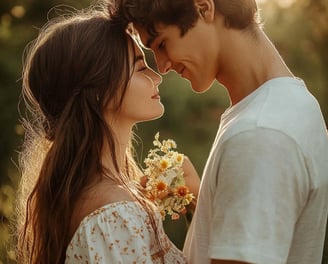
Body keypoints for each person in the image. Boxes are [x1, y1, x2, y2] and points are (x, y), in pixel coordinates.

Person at [115, 0, 328, 263]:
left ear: (203, 8)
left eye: (162, 44)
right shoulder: (291, 104)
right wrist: (202, 199)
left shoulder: (260, 134)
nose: (162, 67)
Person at [16, 3, 200, 263]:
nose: (157, 76)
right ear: (101, 90)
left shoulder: (111, 198)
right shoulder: (112, 216)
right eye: (139, 68)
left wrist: (197, 199)